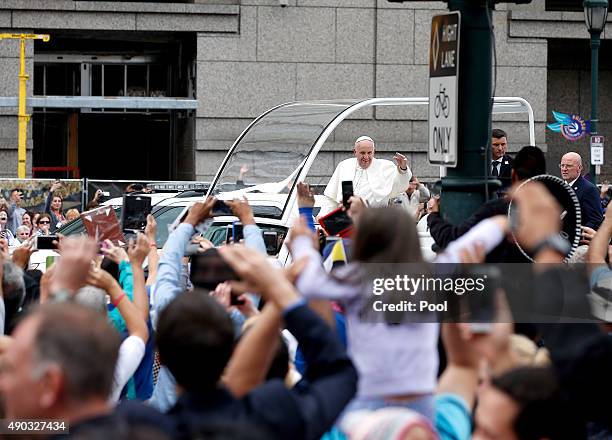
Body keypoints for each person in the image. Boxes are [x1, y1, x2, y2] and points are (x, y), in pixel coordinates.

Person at [159, 243, 358, 440]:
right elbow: (338, 372)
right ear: (231, 349)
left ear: (161, 357)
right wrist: (278, 290)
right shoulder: (273, 417)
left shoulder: (147, 428)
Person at [427, 145, 546, 262]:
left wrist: (433, 215)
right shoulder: (556, 211)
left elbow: (455, 241)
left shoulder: (497, 209)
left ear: (513, 175)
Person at [321, 136, 411, 215]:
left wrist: (403, 168)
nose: (366, 157)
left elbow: (401, 186)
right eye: (362, 153)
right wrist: (323, 214)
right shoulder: (344, 166)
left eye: (369, 153)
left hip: (374, 221)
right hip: (347, 221)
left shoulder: (385, 167)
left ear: (374, 152)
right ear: (355, 152)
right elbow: (331, 198)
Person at [559, 152, 603, 230]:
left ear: (579, 168)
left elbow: (595, 220)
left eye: (569, 166)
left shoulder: (589, 189)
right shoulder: (558, 187)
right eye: (562, 165)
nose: (564, 169)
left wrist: (576, 234)